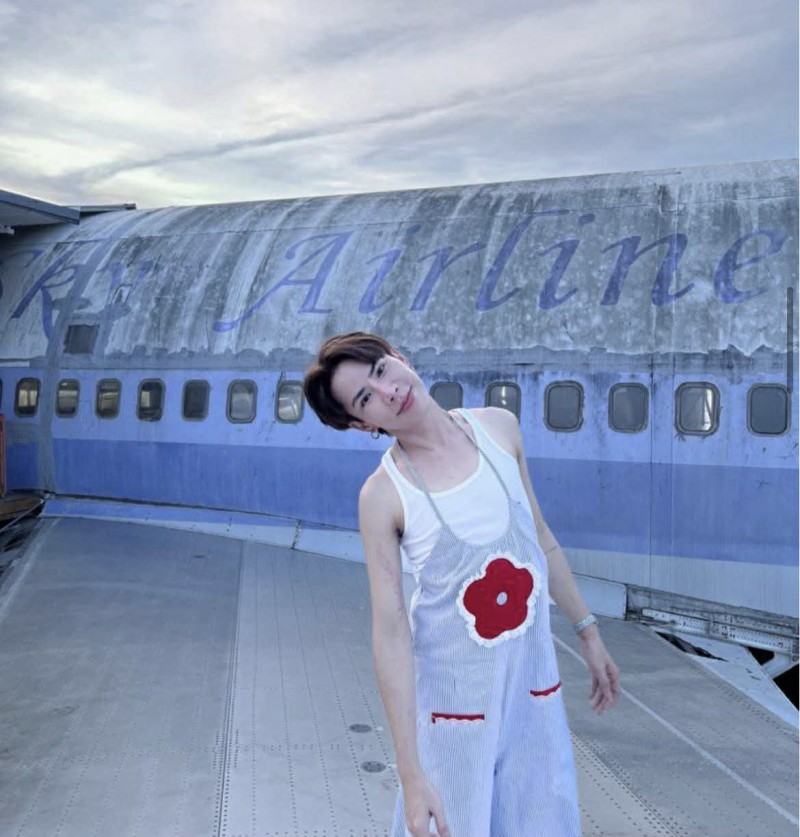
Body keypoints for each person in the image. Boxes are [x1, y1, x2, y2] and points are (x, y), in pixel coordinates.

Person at [304, 332, 620, 837]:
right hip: (452, 714)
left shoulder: (500, 429)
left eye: (382, 370)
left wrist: (589, 632)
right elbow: (390, 631)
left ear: (399, 358)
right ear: (363, 423)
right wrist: (411, 776)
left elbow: (540, 538)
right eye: (365, 398)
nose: (388, 391)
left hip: (532, 696)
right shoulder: (383, 495)